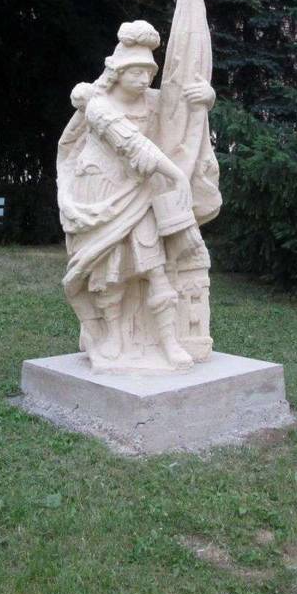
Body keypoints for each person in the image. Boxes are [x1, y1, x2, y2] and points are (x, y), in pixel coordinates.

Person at [57, 20, 214, 371]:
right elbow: (134, 145)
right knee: (107, 270)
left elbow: (180, 114)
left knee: (155, 266)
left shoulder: (152, 102)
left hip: (140, 193)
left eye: (149, 73)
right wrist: (175, 175)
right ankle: (112, 337)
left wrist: (206, 99)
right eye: (137, 72)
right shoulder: (98, 105)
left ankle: (169, 343)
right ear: (118, 73)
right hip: (99, 193)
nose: (145, 80)